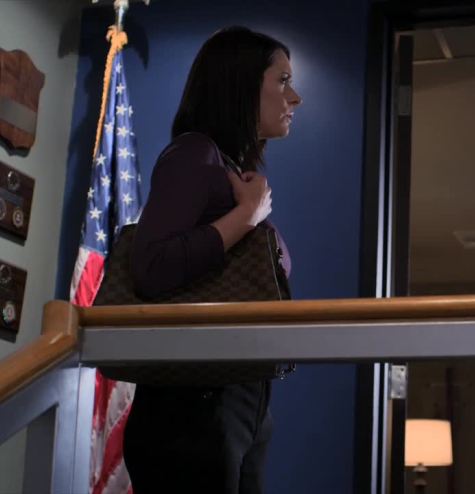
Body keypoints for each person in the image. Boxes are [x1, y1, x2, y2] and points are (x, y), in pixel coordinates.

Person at [122, 26, 301, 493]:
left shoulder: (229, 168)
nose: (295, 97)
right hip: (192, 413)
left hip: (242, 405)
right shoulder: (192, 154)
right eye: (283, 81)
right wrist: (246, 215)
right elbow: (151, 267)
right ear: (241, 84)